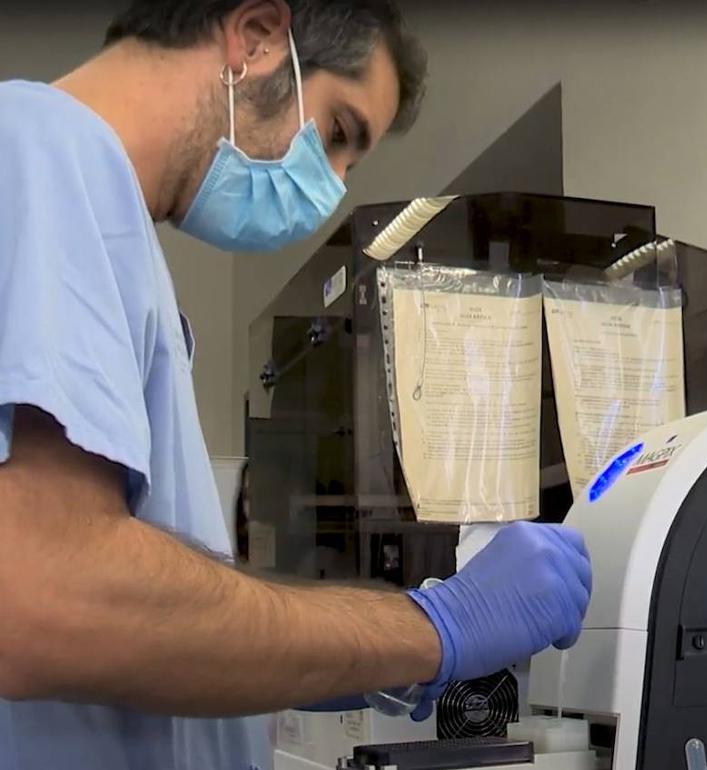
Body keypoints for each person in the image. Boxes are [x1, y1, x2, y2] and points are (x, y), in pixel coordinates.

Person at [0, 2, 592, 769]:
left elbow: (143, 626)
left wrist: (350, 659)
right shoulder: (46, 150)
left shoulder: (105, 223)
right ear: (254, 39)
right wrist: (432, 628)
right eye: (340, 133)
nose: (335, 187)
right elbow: (48, 600)